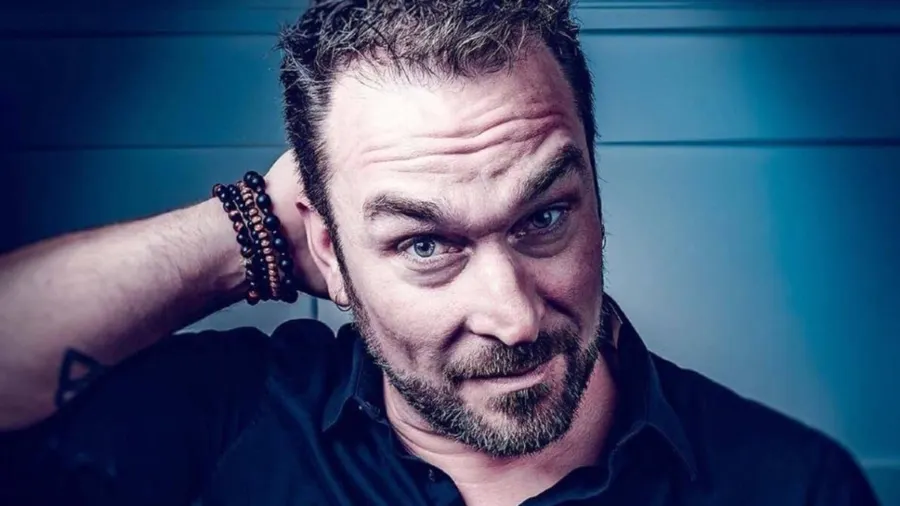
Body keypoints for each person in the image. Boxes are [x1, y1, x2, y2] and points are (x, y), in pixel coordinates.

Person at [0, 1, 880, 505]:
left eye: (544, 216)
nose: (512, 316)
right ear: (329, 253)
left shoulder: (791, 486)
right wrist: (251, 226)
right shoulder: (228, 421)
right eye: (424, 242)